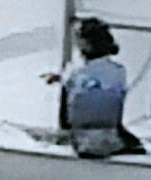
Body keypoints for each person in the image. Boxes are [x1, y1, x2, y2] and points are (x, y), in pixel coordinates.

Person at [59, 18, 143, 158]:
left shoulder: (72, 73)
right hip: (110, 137)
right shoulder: (119, 72)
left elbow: (65, 120)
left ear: (84, 43)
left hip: (81, 141)